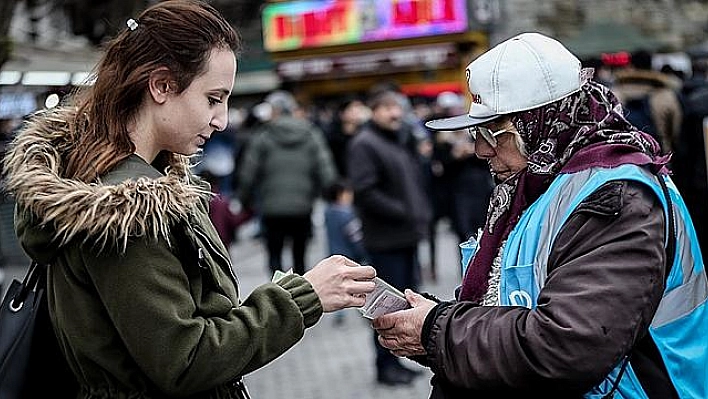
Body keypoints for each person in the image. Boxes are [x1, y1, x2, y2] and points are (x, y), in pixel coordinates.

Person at [1, 2, 376, 398]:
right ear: (162, 86)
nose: (223, 120)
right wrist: (303, 298)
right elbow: (185, 360)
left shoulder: (109, 181)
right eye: (214, 99)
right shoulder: (126, 209)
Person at [372, 32, 707, 398]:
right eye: (475, 132)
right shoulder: (538, 179)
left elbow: (565, 348)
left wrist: (436, 328)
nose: (480, 149)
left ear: (541, 122)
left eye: (494, 132)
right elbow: (509, 301)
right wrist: (437, 325)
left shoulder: (617, 197)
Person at [347, 86, 432, 386]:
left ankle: (399, 359)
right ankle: (385, 365)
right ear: (374, 111)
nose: (395, 113)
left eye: (397, 107)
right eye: (387, 108)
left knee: (406, 301)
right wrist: (404, 212)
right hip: (385, 239)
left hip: (405, 236)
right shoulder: (365, 143)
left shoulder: (398, 140)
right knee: (385, 306)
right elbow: (366, 192)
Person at [238, 89, 337, 276]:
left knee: (274, 254)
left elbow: (248, 171)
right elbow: (325, 168)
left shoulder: (264, 135)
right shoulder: (310, 132)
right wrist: (328, 193)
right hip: (303, 205)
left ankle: (277, 295)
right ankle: (300, 293)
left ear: (274, 110)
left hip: (271, 207)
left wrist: (244, 198)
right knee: (300, 255)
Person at [612, 49, 684, 154]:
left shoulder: (614, 94)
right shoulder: (665, 95)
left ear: (631, 66)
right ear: (651, 65)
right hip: (659, 158)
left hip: (622, 158)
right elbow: (676, 132)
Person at [322, 179, 370, 325]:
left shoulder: (329, 211)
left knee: (338, 285)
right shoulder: (347, 214)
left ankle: (339, 314)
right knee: (356, 286)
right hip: (350, 256)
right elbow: (355, 237)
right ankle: (364, 309)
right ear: (340, 195)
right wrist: (363, 253)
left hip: (334, 253)